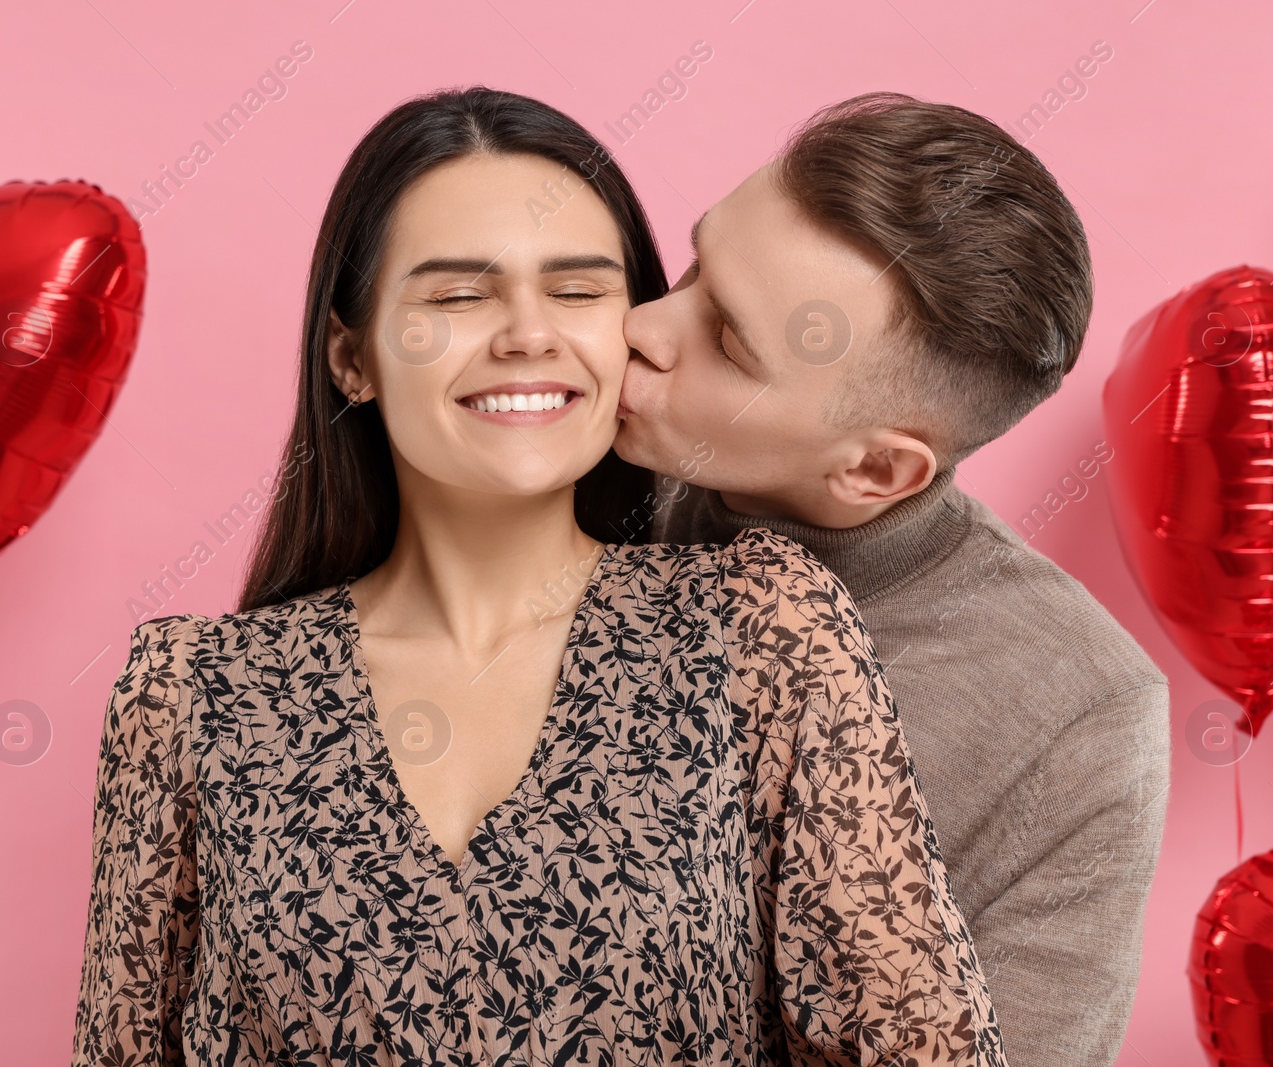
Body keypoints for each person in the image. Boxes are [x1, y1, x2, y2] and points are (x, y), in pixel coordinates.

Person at [71, 87, 1009, 1066]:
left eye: (575, 290)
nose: (526, 332)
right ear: (352, 358)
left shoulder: (759, 626)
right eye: (457, 294)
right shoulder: (189, 692)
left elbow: (923, 1047)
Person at [615, 92, 1170, 1067]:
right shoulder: (562, 458)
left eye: (730, 344)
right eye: (696, 265)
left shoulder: (1081, 714)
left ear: (875, 469)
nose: (643, 328)